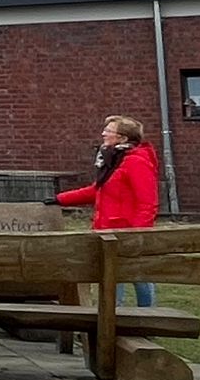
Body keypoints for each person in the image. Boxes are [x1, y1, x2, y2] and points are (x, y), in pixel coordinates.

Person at [54, 117, 163, 305]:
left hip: (126, 231)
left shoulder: (136, 161)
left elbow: (147, 203)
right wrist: (59, 199)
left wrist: (137, 234)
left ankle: (147, 317)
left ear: (122, 138)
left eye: (109, 130)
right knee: (111, 278)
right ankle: (113, 316)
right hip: (107, 230)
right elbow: (98, 190)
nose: (103, 133)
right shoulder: (114, 161)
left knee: (139, 277)